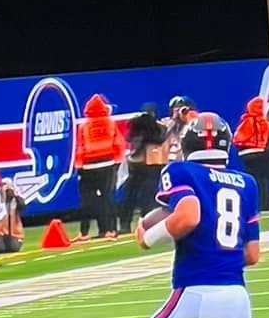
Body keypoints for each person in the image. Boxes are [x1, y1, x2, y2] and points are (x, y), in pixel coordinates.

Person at [131, 110, 260, 318]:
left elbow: (188, 215)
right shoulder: (246, 183)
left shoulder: (182, 171)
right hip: (235, 296)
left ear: (188, 143)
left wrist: (148, 237)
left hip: (197, 290)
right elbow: (252, 254)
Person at [74, 94, 123, 239]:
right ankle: (110, 230)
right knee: (108, 198)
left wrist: (79, 167)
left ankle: (84, 232)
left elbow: (80, 148)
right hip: (108, 165)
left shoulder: (84, 126)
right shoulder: (111, 123)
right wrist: (117, 162)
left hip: (88, 167)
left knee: (87, 201)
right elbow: (118, 144)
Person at [119, 104, 167, 233]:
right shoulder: (142, 125)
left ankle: (132, 223)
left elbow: (159, 138)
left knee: (141, 195)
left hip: (145, 163)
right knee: (138, 195)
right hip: (145, 163)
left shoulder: (149, 126)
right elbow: (159, 138)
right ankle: (129, 223)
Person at [233, 97, 269, 212]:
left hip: (249, 153)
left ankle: (258, 204)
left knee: (254, 180)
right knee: (263, 179)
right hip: (262, 152)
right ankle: (265, 203)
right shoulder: (265, 121)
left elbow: (239, 138)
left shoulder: (249, 120)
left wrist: (239, 142)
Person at [164, 94, 196, 160]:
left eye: (181, 108)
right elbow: (162, 133)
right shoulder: (166, 122)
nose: (178, 110)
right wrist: (174, 119)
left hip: (186, 159)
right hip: (168, 160)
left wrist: (187, 119)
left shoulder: (194, 123)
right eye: (175, 107)